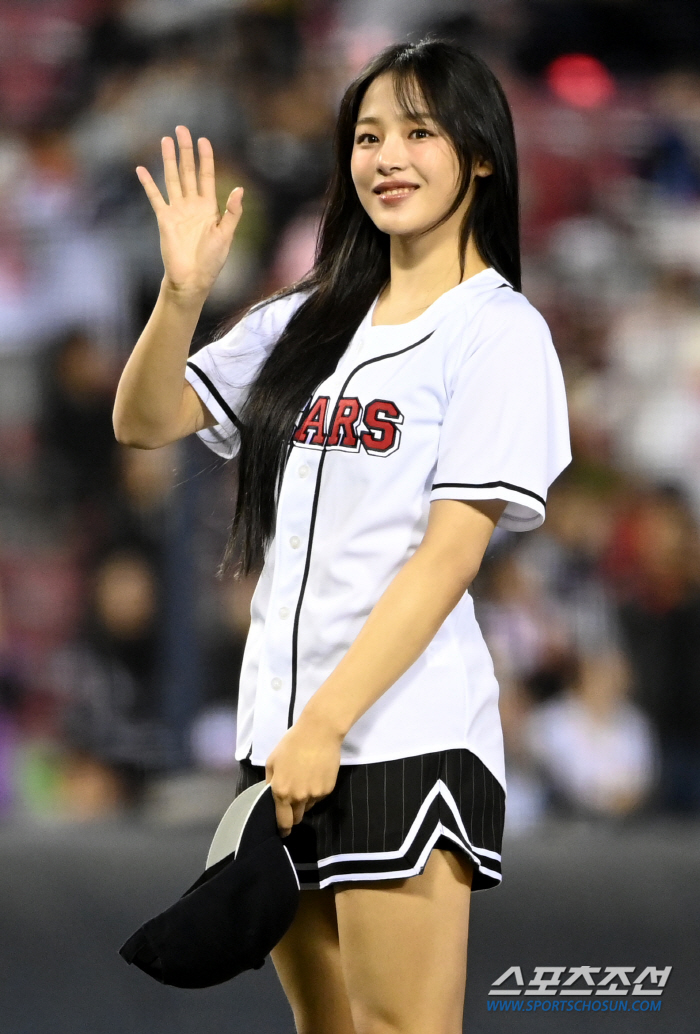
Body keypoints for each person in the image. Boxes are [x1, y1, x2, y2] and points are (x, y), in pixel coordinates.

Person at [113, 38, 571, 1034]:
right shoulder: (310, 317)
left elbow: (450, 555)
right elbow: (144, 419)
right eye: (367, 135)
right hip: (283, 738)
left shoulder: (497, 332)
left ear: (480, 154)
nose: (385, 156)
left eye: (417, 130)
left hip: (399, 732)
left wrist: (326, 723)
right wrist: (182, 293)